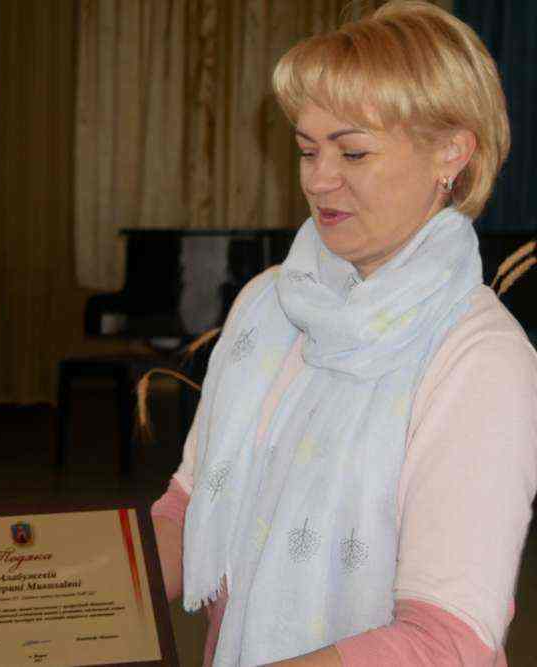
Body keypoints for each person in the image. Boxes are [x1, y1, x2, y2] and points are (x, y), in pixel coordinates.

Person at [151, 2, 537, 665]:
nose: (317, 179)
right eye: (307, 149)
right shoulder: (269, 304)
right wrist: (57, 601)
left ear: (451, 151)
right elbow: (188, 510)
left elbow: (448, 641)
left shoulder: (481, 356)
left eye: (353, 151)